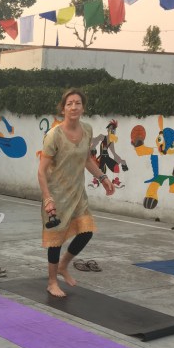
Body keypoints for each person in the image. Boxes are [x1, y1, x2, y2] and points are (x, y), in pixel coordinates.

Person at [37, 88, 115, 298]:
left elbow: (87, 159)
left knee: (86, 231)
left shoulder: (87, 130)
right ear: (63, 108)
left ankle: (63, 265)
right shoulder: (54, 135)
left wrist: (103, 177)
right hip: (56, 195)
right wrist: (47, 198)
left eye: (77, 103)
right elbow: (41, 171)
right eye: (69, 103)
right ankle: (52, 282)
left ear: (83, 107)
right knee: (56, 240)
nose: (73, 107)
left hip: (77, 193)